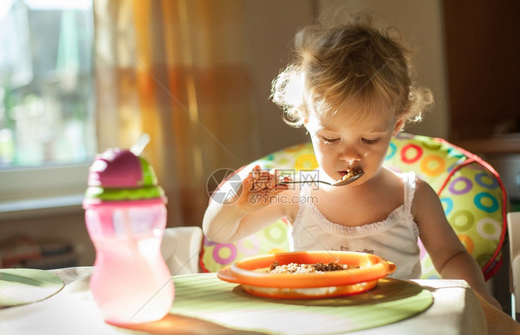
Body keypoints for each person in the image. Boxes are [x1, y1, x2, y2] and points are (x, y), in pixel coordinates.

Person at [202, 13, 500, 308]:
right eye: (330, 139)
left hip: (397, 323)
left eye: (369, 140)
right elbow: (217, 234)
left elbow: (451, 257)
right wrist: (234, 204)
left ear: (396, 126)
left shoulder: (411, 196)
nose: (350, 155)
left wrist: (479, 297)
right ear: (306, 120)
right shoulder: (295, 192)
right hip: (317, 323)